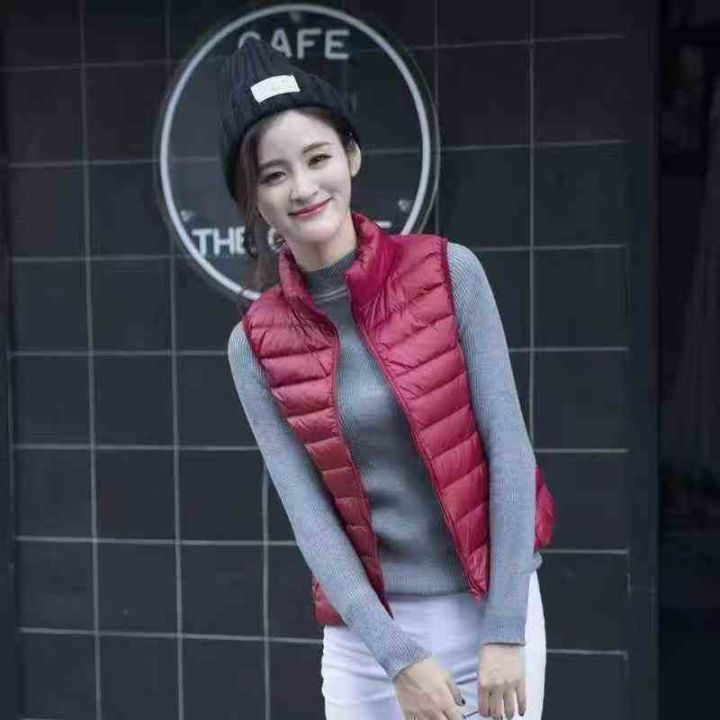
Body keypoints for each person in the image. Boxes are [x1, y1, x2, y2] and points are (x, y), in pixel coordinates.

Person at [218, 38, 555, 720]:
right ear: (253, 197)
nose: (303, 187)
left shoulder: (448, 272)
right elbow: (309, 516)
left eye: (318, 158)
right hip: (367, 641)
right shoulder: (253, 345)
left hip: (489, 611)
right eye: (274, 174)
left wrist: (504, 627)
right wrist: (396, 655)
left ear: (351, 156)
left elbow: (509, 450)